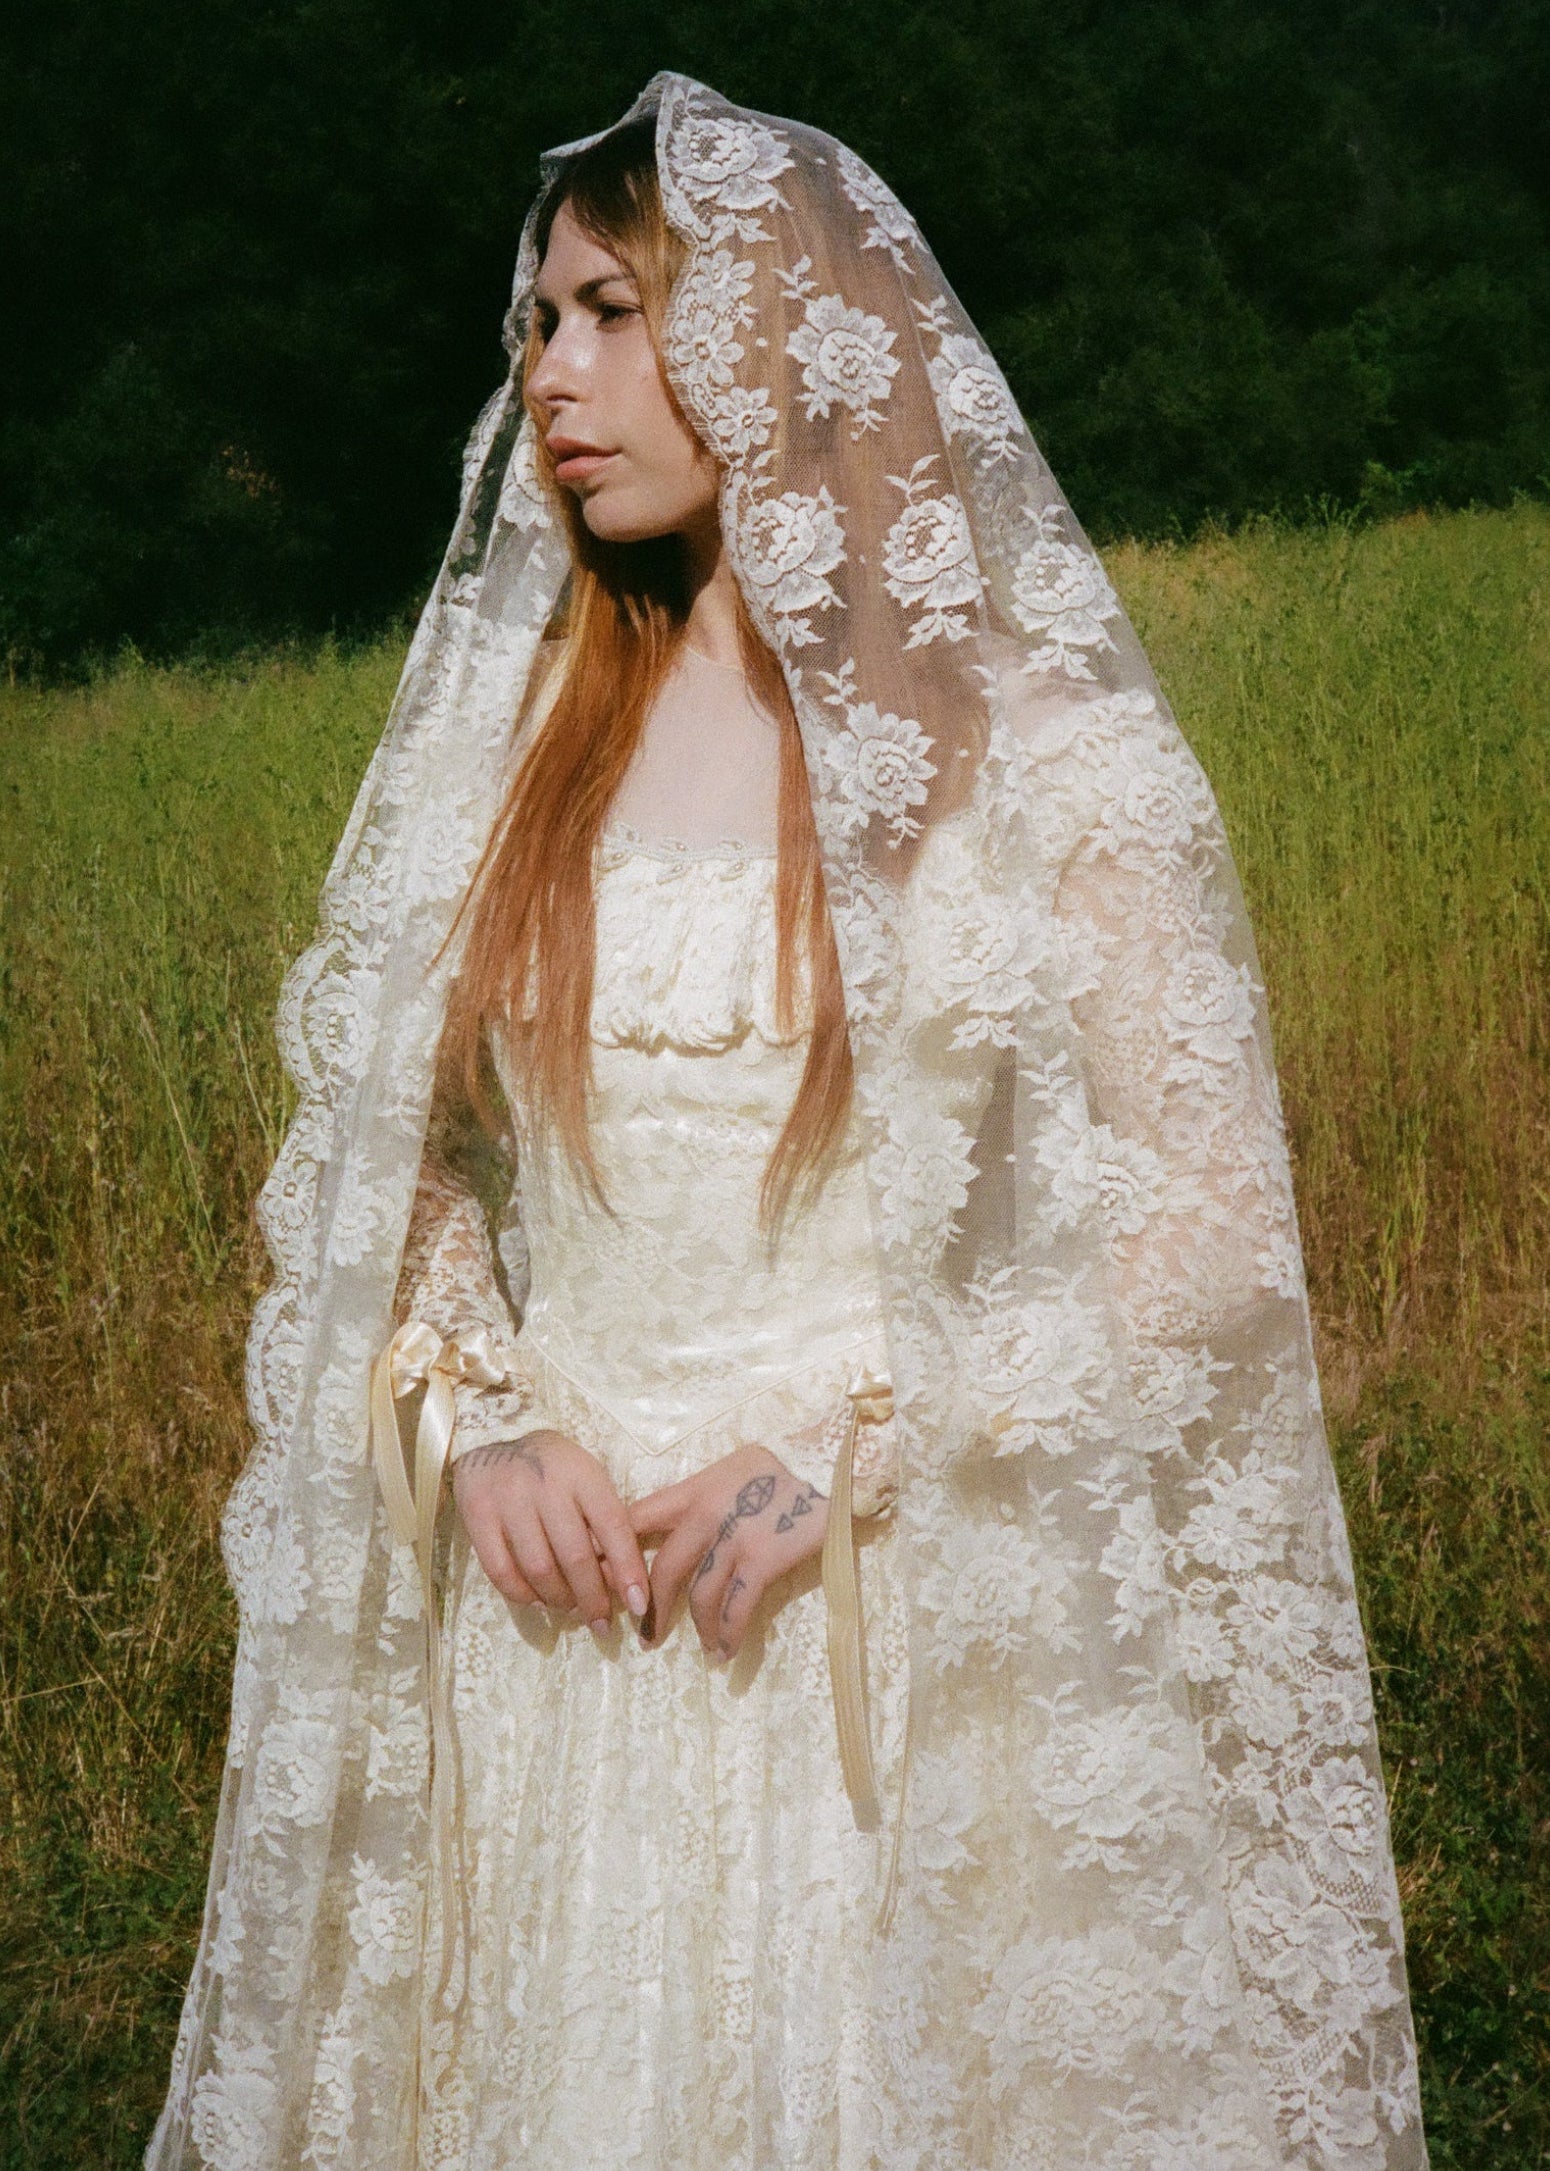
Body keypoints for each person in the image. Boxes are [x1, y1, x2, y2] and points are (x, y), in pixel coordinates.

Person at [149, 72, 1429, 2171]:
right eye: (535, 327)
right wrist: (473, 1416)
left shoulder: (1039, 759)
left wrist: (865, 1442)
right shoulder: (518, 747)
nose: (554, 376)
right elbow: (403, 1174)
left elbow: (1206, 1224)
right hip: (553, 1649)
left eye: (612, 313)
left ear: (778, 331)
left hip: (870, 1634)